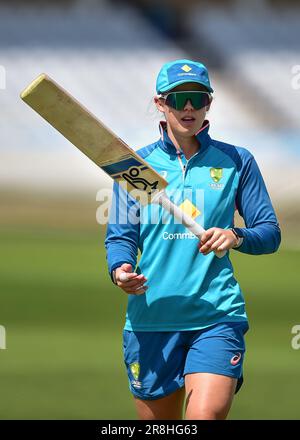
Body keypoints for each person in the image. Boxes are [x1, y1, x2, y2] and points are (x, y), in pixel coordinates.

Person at [105, 59, 281, 420]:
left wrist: (236, 235)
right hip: (152, 318)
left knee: (205, 417)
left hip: (216, 314)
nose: (188, 107)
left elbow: (269, 232)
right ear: (160, 103)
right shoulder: (135, 166)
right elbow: (121, 237)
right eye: (179, 98)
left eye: (197, 98)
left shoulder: (237, 161)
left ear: (209, 104)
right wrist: (120, 269)